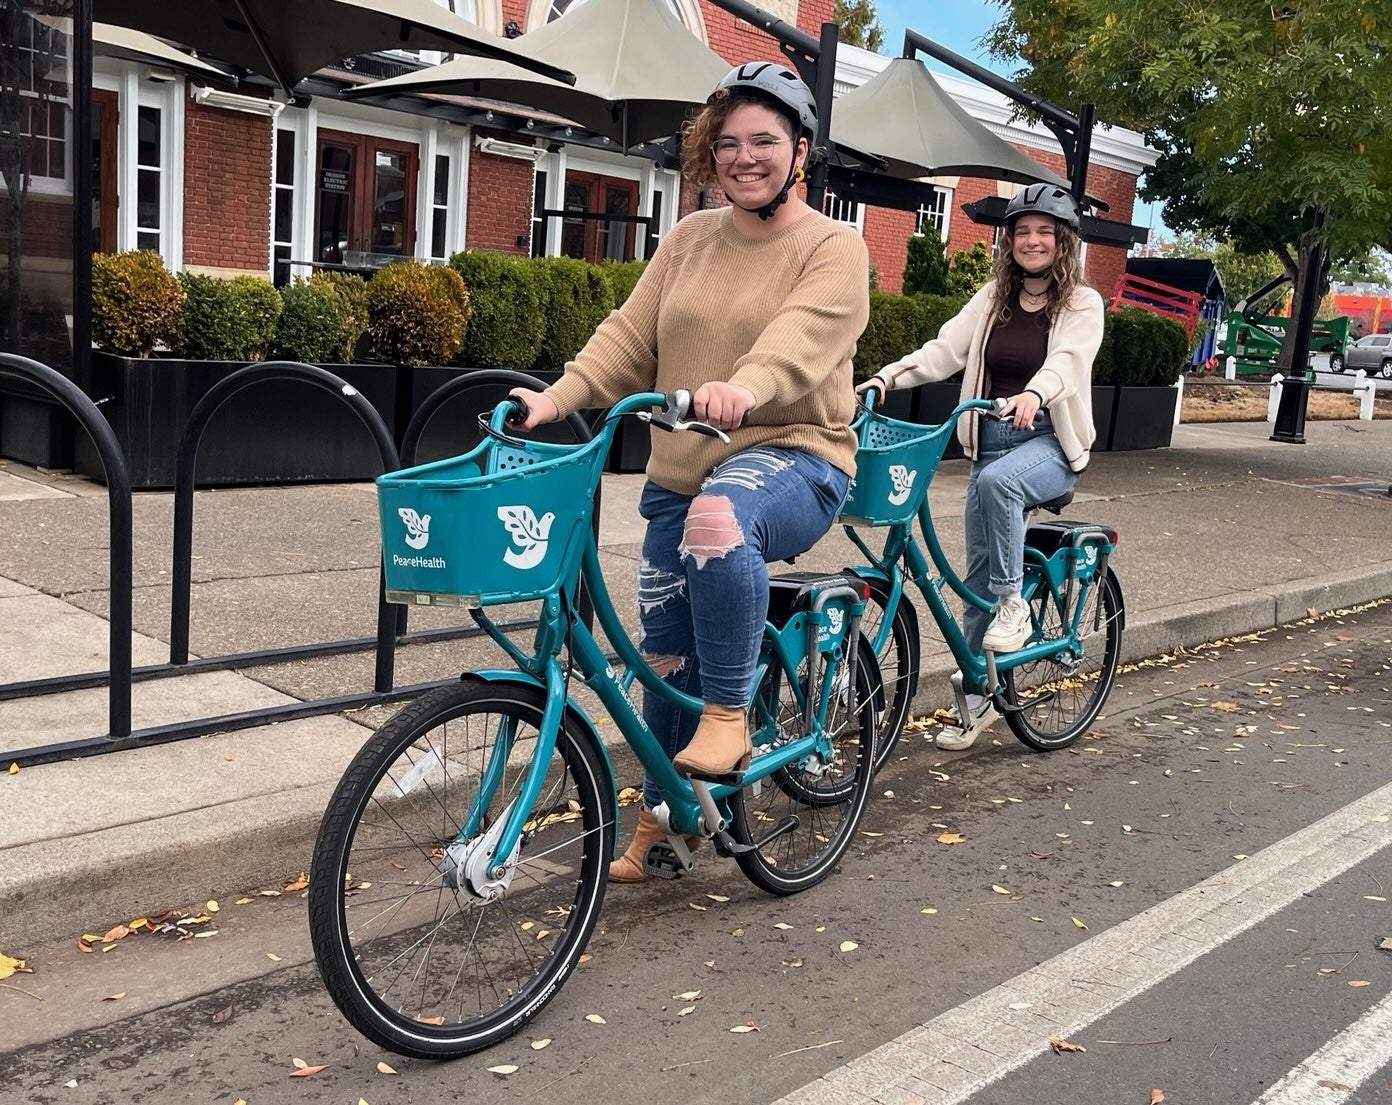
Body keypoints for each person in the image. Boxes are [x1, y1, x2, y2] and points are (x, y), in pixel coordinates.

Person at [507, 61, 870, 881]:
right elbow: (628, 335)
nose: (746, 157)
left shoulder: (835, 247)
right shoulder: (689, 239)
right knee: (664, 660)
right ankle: (669, 822)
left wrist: (739, 389)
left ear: (801, 150)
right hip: (680, 472)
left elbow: (800, 341)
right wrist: (556, 398)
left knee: (719, 520)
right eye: (731, 143)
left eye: (765, 142)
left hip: (796, 458)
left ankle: (733, 716)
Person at [858, 183, 1104, 750]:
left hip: (1048, 441)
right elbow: (946, 349)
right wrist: (886, 378)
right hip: (990, 439)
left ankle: (1016, 603)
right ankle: (979, 699)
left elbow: (1069, 359)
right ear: (1009, 242)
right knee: (973, 583)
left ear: (1063, 242)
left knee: (1000, 493)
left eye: (1045, 232)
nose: (1033, 241)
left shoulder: (1081, 304)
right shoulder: (995, 298)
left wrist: (1036, 395)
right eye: (1023, 232)